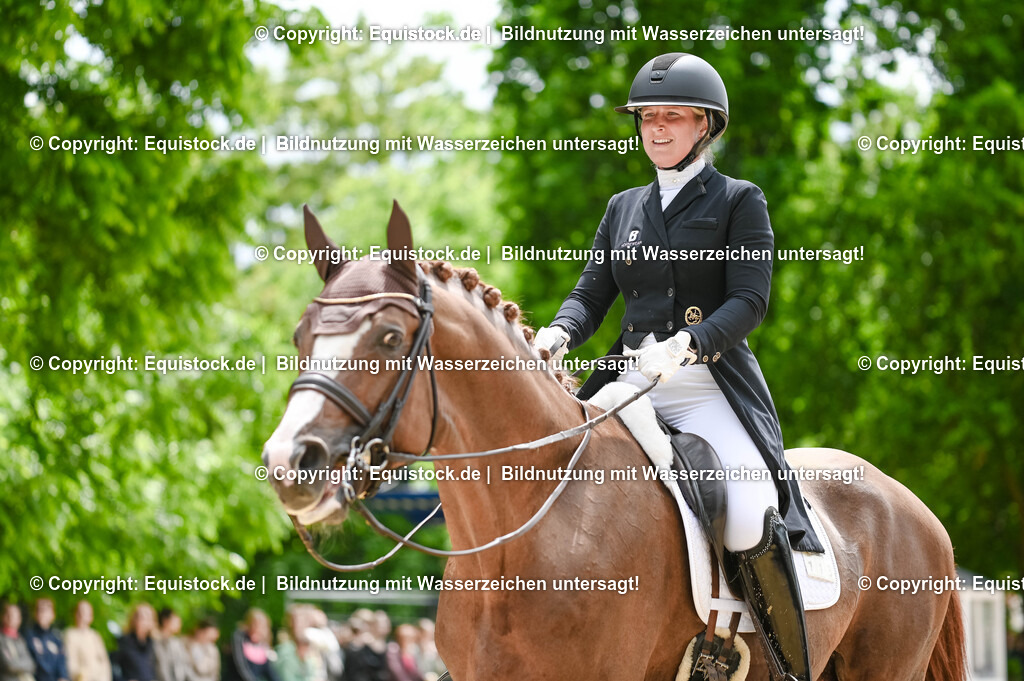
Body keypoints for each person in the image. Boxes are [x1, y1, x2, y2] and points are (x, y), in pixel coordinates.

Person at [533, 52, 824, 681]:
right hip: (629, 381)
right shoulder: (624, 207)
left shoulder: (738, 201)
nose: (656, 130)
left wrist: (688, 345)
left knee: (747, 510)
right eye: (647, 118)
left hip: (705, 383)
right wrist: (559, 332)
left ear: (706, 126)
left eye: (673, 117)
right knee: (552, 474)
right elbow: (591, 293)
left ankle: (771, 655)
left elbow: (750, 300)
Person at [64, 602, 112, 681]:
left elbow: (105, 663)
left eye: (86, 613)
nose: (82, 615)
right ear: (75, 614)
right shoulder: (70, 635)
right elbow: (70, 662)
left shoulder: (95, 636)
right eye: (80, 612)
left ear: (91, 617)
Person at [225, 610, 278, 681]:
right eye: (255, 624)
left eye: (261, 626)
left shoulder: (263, 646)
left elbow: (270, 672)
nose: (257, 628)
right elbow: (241, 667)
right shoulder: (239, 637)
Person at [24, 599, 69, 681]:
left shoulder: (56, 638)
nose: (42, 614)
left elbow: (62, 661)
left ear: (52, 615)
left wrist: (63, 677)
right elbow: (36, 663)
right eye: (40, 610)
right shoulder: (30, 635)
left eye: (46, 611)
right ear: (35, 614)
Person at [115, 605, 156, 681]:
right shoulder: (124, 641)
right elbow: (112, 668)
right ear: (134, 619)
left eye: (148, 618)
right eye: (141, 617)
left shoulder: (152, 643)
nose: (144, 622)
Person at [1, 603, 35, 681]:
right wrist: (23, 665)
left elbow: (31, 664)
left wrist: (17, 663)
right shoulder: (1, 640)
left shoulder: (21, 640)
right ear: (2, 616)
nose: (10, 618)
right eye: (8, 614)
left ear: (19, 619)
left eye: (14, 615)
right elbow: (10, 665)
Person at [152, 609, 189, 681]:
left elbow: (185, 667)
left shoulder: (176, 642)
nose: (179, 623)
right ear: (165, 621)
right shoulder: (155, 642)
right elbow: (162, 669)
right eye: (176, 620)